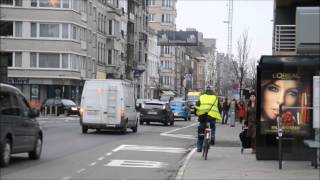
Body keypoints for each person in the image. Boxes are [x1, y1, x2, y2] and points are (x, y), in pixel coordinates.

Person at [194, 86, 222, 152]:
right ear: (212, 91)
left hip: (202, 117)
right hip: (212, 117)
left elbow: (197, 105)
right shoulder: (215, 98)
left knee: (201, 131)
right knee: (213, 127)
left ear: (205, 90)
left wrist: (196, 113)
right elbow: (219, 108)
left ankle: (199, 147)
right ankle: (212, 138)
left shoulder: (202, 97)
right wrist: (218, 115)